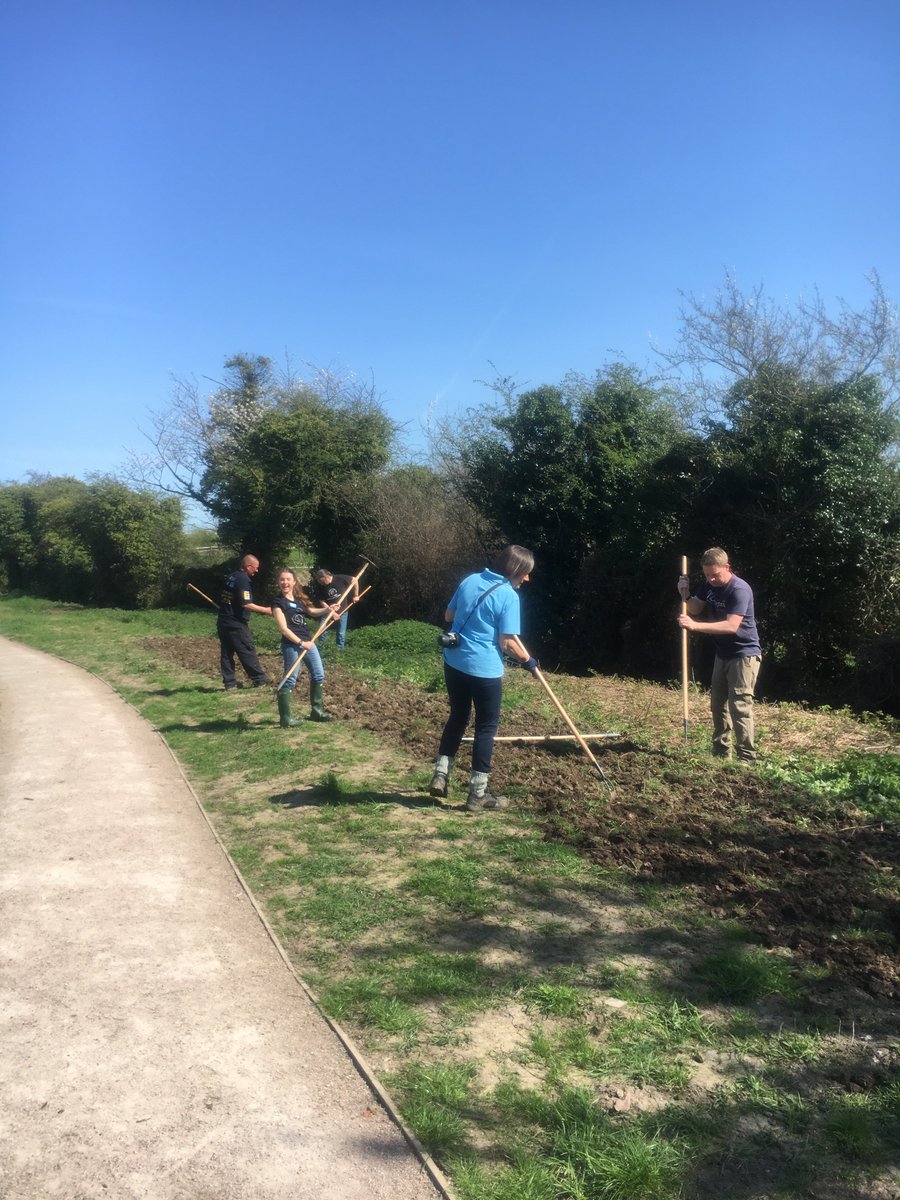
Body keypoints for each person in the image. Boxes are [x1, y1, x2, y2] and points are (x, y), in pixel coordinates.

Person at [430, 545, 538, 813]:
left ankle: (440, 776)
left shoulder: (470, 579)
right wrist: (529, 661)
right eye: (526, 573)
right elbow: (507, 642)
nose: (527, 579)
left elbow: (448, 616)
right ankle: (477, 793)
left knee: (457, 716)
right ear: (516, 570)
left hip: (454, 663)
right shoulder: (508, 596)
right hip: (484, 670)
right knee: (486, 728)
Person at [677, 547, 762, 762]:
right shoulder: (709, 586)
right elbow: (695, 608)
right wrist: (685, 594)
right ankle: (722, 754)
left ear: (727, 567)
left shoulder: (739, 589)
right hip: (723, 654)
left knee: (739, 706)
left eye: (715, 574)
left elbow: (731, 626)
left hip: (744, 654)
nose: (711, 579)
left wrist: (695, 627)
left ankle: (747, 758)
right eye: (707, 575)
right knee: (718, 705)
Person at [271, 569, 339, 727]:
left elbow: (312, 611)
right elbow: (283, 629)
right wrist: (300, 643)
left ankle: (316, 711)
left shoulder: (299, 599)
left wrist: (328, 609)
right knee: (290, 679)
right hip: (292, 644)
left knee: (318, 675)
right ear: (278, 582)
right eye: (282, 580)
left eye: (288, 579)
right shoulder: (277, 603)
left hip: (309, 641)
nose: (285, 582)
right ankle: (285, 719)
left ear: (294, 582)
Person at [216, 554, 271, 690]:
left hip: (223, 620)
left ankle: (229, 684)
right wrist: (266, 610)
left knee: (227, 653)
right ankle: (259, 680)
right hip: (235, 623)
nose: (257, 571)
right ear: (248, 566)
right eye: (255, 568)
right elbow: (246, 604)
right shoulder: (243, 580)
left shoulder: (232, 576)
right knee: (247, 649)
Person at [311, 568, 358, 649]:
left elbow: (355, 580)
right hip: (327, 611)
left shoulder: (340, 578)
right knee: (322, 630)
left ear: (328, 576)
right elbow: (322, 602)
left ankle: (338, 653)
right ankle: (322, 649)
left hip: (343, 611)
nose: (323, 584)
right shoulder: (320, 586)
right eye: (320, 582)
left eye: (323, 582)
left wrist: (356, 595)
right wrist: (332, 613)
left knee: (341, 633)